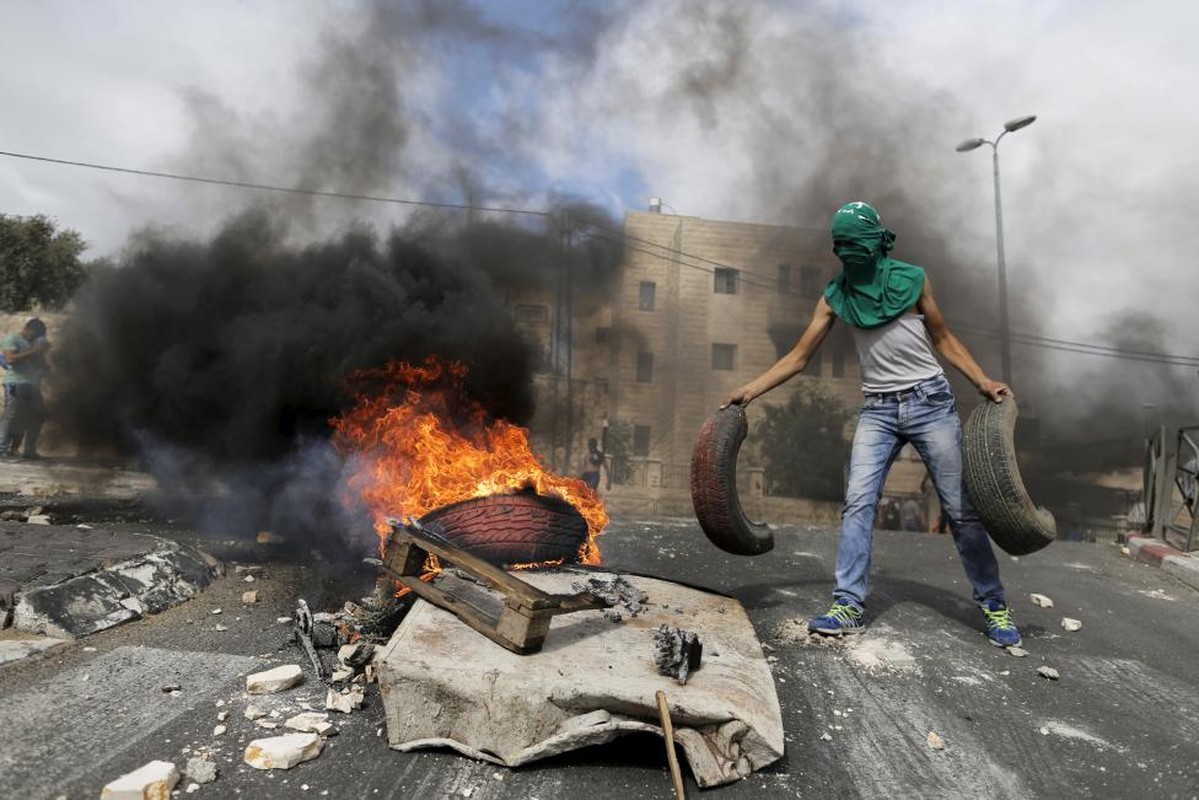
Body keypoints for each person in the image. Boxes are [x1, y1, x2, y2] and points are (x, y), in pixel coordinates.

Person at [721, 201, 1020, 648]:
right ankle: (848, 604)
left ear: (877, 242)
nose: (848, 254)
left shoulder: (912, 280)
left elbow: (942, 337)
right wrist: (750, 389)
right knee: (858, 503)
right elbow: (799, 357)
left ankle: (994, 604)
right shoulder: (834, 295)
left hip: (930, 402)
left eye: (855, 244)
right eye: (841, 246)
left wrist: (982, 381)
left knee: (960, 511)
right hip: (878, 410)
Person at [0, 318, 51, 459]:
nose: (36, 338)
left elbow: (39, 364)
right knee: (11, 417)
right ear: (28, 329)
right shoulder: (12, 339)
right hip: (17, 383)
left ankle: (29, 451)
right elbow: (10, 359)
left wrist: (44, 360)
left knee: (37, 416)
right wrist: (34, 351)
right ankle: (2, 449)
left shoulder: (32, 343)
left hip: (33, 385)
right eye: (35, 335)